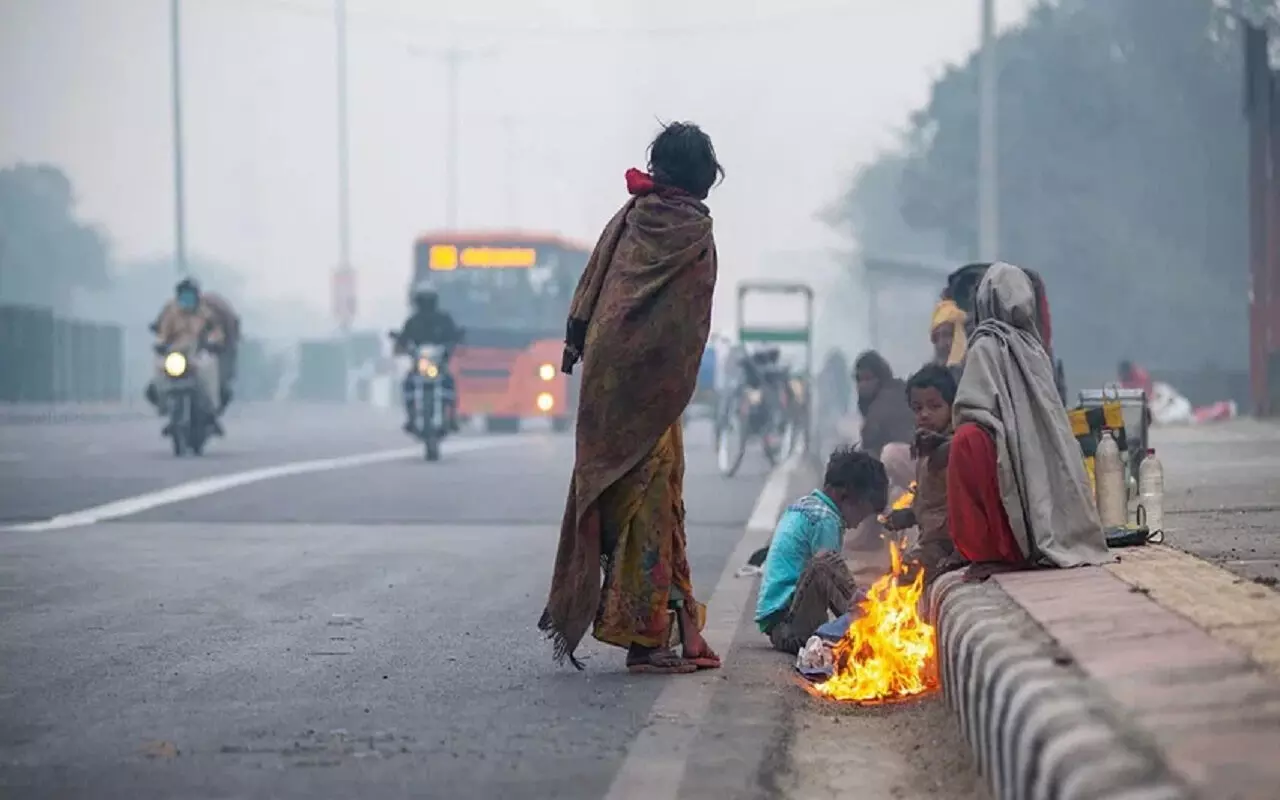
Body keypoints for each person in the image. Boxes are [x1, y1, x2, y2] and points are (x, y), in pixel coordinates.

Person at [537, 121, 724, 675]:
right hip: (653, 388)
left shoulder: (630, 218)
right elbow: (688, 324)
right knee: (652, 503)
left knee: (634, 495)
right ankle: (647, 642)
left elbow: (593, 292)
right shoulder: (694, 233)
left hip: (606, 381)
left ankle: (683, 628)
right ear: (703, 176)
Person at [948, 262, 1110, 568]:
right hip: (1030, 452)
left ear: (986, 298)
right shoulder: (1036, 349)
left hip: (998, 450)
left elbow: (972, 409)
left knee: (966, 441)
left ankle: (989, 549)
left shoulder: (984, 345)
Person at [755, 447, 888, 655]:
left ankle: (863, 625)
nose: (860, 522)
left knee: (840, 576)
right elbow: (828, 574)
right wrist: (857, 605)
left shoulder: (807, 505)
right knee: (826, 563)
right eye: (863, 512)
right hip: (790, 628)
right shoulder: (826, 520)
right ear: (845, 496)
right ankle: (868, 633)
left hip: (780, 624)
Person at [884, 364, 965, 582]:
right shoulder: (925, 445)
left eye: (935, 406)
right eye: (918, 408)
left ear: (952, 407)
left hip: (950, 547)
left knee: (900, 581)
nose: (925, 414)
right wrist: (909, 515)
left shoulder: (958, 445)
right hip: (931, 540)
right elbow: (930, 501)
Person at [149, 278, 227, 433]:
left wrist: (213, 342)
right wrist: (160, 344)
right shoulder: (170, 312)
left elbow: (215, 332)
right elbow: (162, 334)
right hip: (175, 356)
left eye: (190, 295)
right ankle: (164, 406)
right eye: (184, 295)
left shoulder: (205, 313)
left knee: (209, 369)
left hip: (198, 354)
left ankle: (211, 409)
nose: (187, 299)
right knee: (157, 373)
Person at [394, 281, 463, 433]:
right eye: (423, 300)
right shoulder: (413, 321)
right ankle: (411, 418)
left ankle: (452, 417)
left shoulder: (444, 319)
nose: (426, 304)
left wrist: (454, 342)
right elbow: (404, 339)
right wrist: (400, 343)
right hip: (420, 364)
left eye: (428, 300)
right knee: (408, 384)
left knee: (450, 384)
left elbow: (454, 335)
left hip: (439, 364)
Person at [852, 350, 915, 459]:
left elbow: (869, 448)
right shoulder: (901, 389)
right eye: (859, 379)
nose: (862, 385)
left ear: (881, 377)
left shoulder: (881, 406)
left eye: (867, 378)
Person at [930, 291, 968, 369]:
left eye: (947, 335)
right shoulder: (926, 376)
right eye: (936, 337)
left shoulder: (973, 370)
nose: (941, 344)